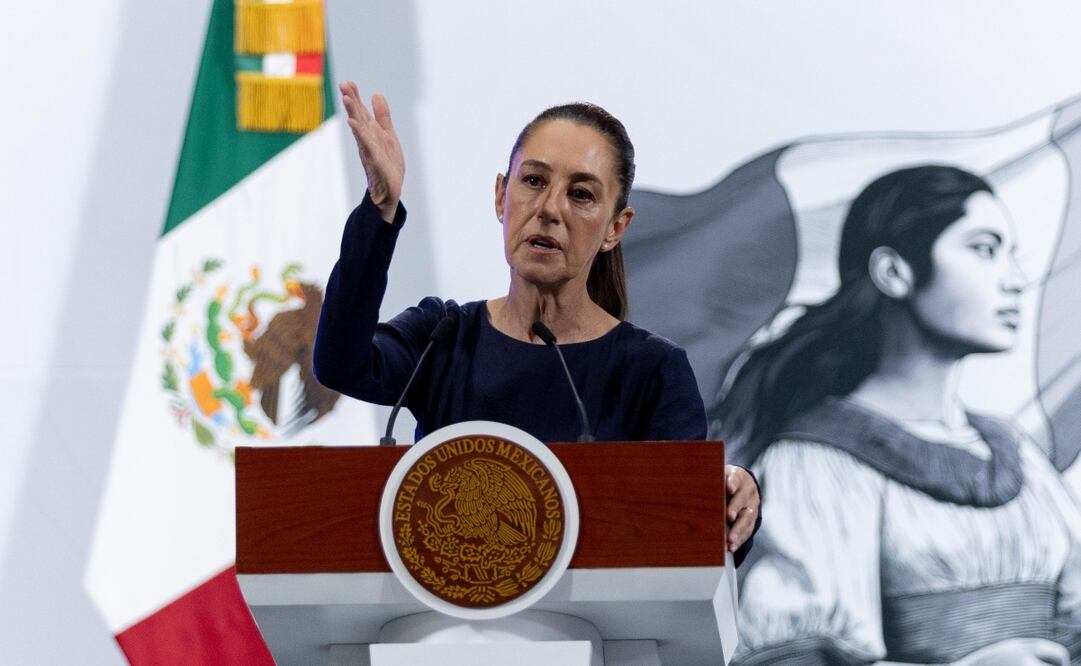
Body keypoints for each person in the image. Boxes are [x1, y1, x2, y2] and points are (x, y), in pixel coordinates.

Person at [313, 82, 760, 561]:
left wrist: (734, 494)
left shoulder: (651, 370)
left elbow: (688, 535)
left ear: (616, 228)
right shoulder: (442, 336)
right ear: (502, 196)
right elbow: (341, 364)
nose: (549, 209)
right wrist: (380, 207)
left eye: (581, 194)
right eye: (533, 181)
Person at [717, 165, 1081, 664]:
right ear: (894, 272)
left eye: (1010, 254)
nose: (1017, 280)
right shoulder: (818, 461)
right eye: (984, 249)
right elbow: (794, 657)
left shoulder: (1016, 452)